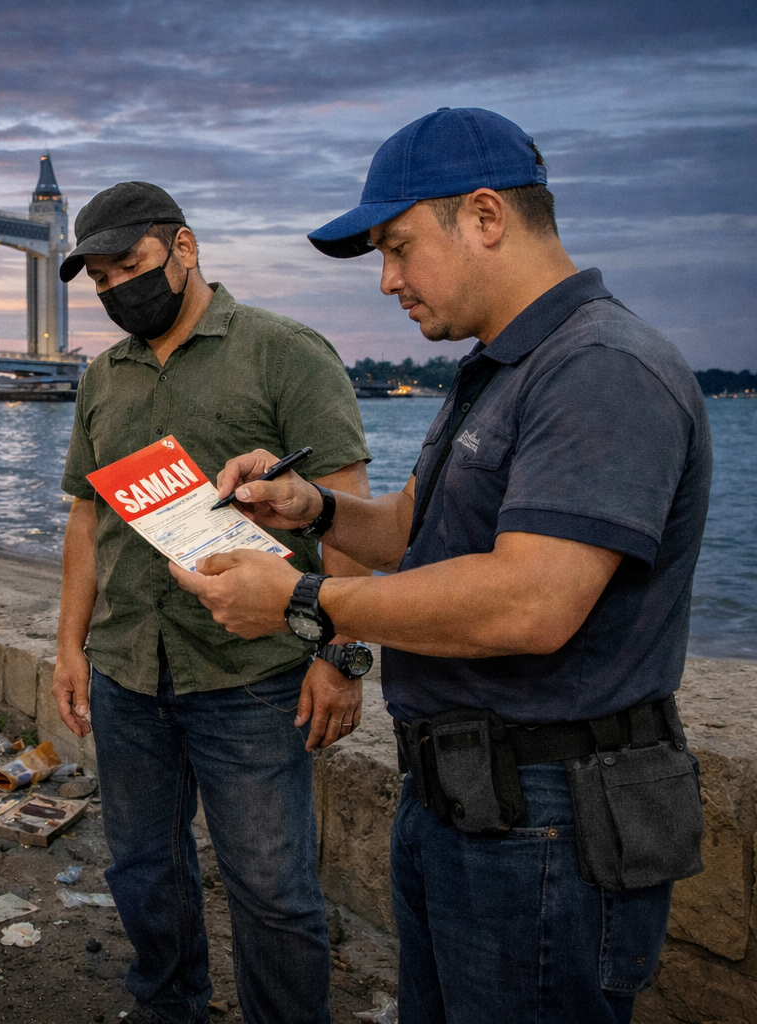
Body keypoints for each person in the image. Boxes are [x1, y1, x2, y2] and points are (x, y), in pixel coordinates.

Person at [171, 109, 711, 1024]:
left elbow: (531, 604)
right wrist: (314, 508)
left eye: (399, 247)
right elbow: (414, 530)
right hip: (462, 799)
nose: (387, 281)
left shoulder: (602, 369)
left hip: (550, 817)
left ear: (487, 217)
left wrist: (304, 604)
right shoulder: (498, 370)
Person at [52, 181, 373, 1024]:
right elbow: (88, 519)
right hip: (128, 671)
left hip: (254, 675)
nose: (118, 288)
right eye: (99, 280)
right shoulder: (103, 379)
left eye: (132, 265)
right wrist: (68, 646)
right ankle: (170, 1006)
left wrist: (342, 657)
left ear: (184, 248)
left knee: (272, 889)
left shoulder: (285, 352)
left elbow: (352, 518)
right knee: (143, 870)